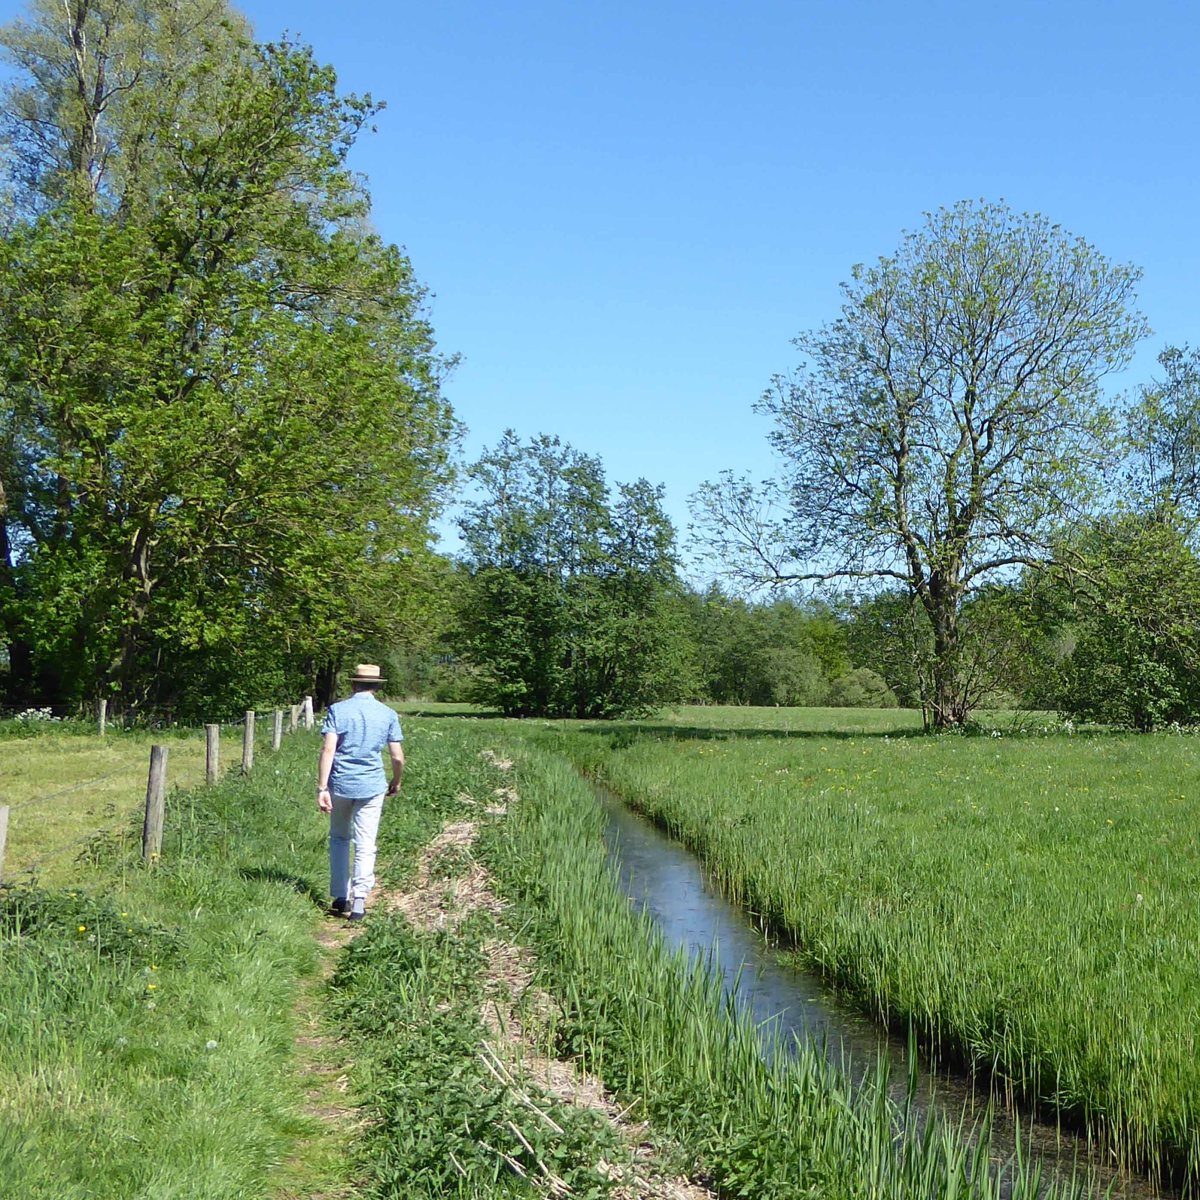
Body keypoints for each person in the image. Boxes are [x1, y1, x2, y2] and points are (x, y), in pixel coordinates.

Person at [316, 663, 404, 921]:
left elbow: (328, 750)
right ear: (376, 686)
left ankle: (340, 896)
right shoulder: (387, 714)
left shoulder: (338, 710)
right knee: (366, 842)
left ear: (353, 684)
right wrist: (396, 781)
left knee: (340, 838)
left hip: (340, 784)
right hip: (372, 785)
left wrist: (322, 787)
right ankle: (359, 900)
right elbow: (397, 756)